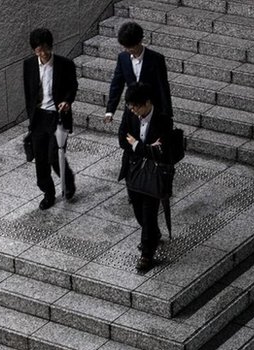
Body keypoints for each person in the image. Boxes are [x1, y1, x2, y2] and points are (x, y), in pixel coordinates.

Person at [119, 83, 173, 272]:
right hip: (133, 171)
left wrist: (136, 145)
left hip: (154, 174)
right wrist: (146, 148)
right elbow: (121, 139)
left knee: (149, 213)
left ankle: (147, 254)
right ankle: (153, 234)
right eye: (131, 107)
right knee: (139, 211)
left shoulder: (163, 120)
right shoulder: (130, 114)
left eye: (136, 107)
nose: (133, 111)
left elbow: (161, 152)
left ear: (147, 103)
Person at [23, 28, 77, 209]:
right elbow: (28, 92)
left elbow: (72, 87)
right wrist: (30, 116)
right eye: (39, 50)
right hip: (39, 118)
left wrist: (67, 101)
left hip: (57, 116)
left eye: (46, 48)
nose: (43, 53)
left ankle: (68, 182)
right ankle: (48, 193)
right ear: (34, 50)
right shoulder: (29, 65)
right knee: (41, 158)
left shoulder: (65, 64)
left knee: (55, 155)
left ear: (51, 46)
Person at [103, 22, 172, 124]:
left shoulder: (156, 59)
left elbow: (163, 87)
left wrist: (167, 113)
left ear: (139, 41)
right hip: (131, 111)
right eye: (126, 47)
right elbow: (117, 84)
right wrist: (110, 111)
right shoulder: (123, 58)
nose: (129, 50)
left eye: (131, 47)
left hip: (151, 109)